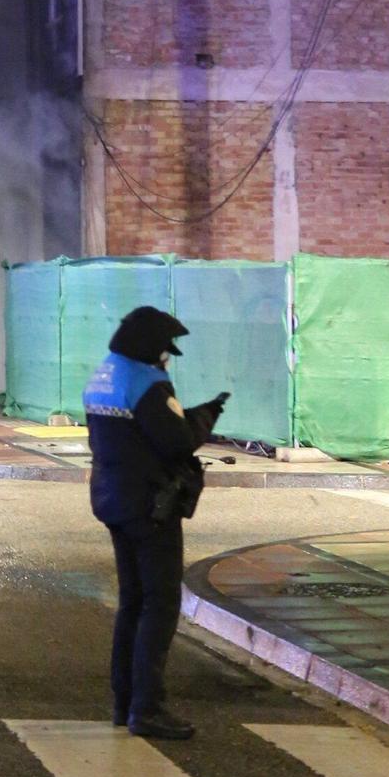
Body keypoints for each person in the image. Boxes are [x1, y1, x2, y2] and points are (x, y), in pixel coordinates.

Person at [84, 305, 229, 741]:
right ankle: (147, 709)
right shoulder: (148, 383)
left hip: (112, 499)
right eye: (165, 352)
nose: (167, 360)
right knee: (160, 604)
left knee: (132, 601)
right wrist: (207, 415)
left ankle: (124, 703)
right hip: (151, 506)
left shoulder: (104, 375)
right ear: (151, 349)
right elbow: (176, 440)